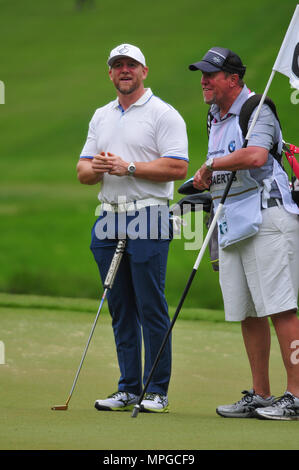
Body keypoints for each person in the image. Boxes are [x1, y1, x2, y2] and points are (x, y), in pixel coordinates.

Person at [77, 43, 188, 412]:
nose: (124, 70)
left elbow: (177, 168)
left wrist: (128, 168)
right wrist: (99, 168)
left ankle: (156, 391)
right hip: (108, 216)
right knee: (121, 306)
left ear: (144, 71)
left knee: (150, 303)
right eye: (117, 65)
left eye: (131, 65)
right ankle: (128, 387)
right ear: (110, 73)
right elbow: (82, 172)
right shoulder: (101, 115)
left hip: (150, 214)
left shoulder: (163, 113)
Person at [190, 47, 299, 420]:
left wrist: (211, 164)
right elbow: (222, 173)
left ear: (234, 79)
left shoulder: (257, 109)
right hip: (232, 221)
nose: (203, 80)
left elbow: (255, 157)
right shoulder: (214, 115)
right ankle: (261, 394)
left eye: (211, 74)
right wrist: (201, 184)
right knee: (248, 311)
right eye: (202, 74)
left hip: (268, 218)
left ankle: (296, 396)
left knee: (280, 307)